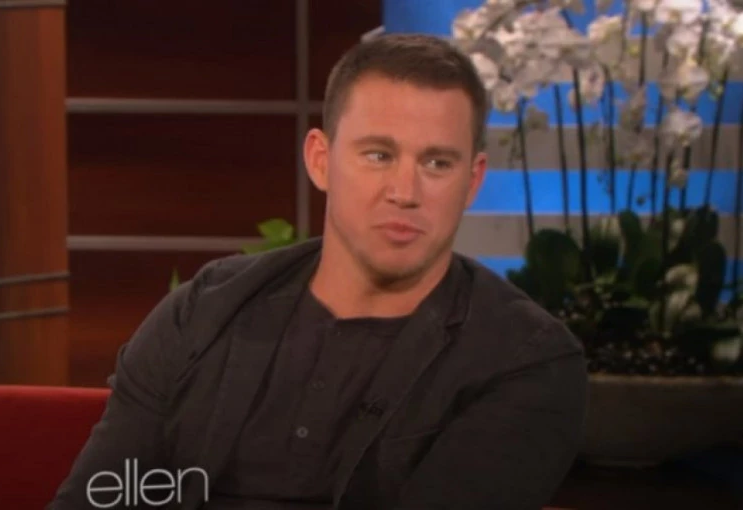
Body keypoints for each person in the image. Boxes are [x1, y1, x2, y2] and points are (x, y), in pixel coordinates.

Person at [48, 33, 587, 510]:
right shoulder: (205, 310)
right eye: (378, 155)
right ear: (320, 160)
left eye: (436, 163)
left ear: (472, 181)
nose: (405, 192)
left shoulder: (522, 361)